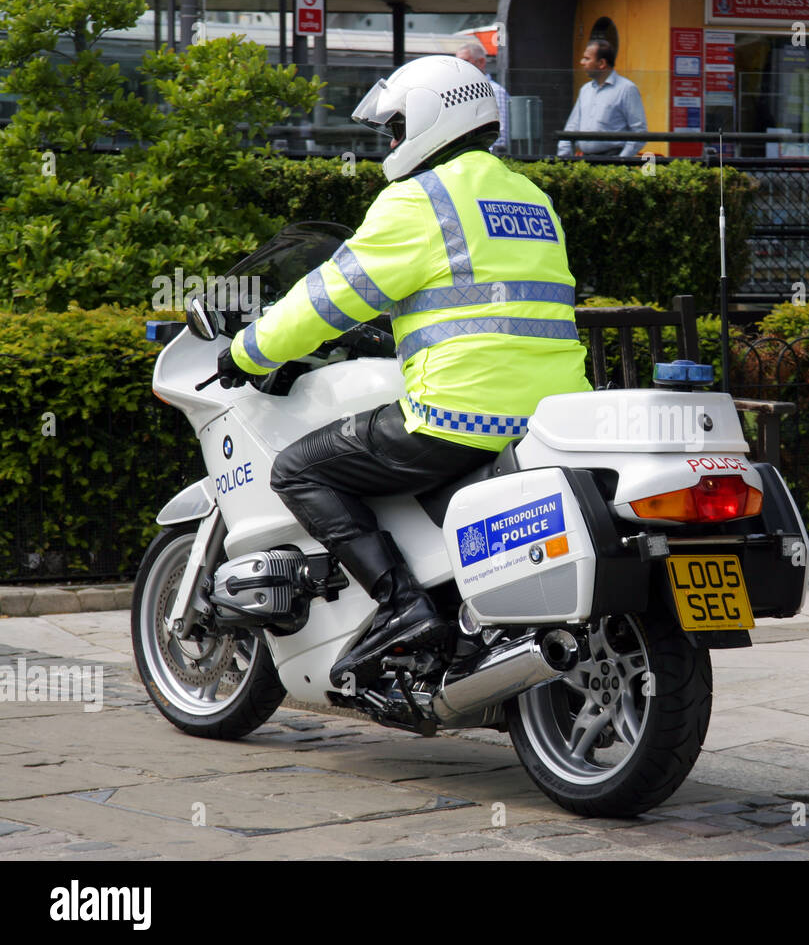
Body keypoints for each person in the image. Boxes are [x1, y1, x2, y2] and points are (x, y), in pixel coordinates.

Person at [218, 55, 591, 690]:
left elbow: (331, 295)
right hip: (552, 417)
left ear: (432, 121)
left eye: (396, 128)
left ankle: (403, 607)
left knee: (299, 468)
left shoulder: (422, 199)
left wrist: (248, 351)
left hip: (459, 417)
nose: (391, 144)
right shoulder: (530, 196)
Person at [556, 39, 646, 158]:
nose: (582, 62)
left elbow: (639, 131)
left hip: (612, 162)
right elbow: (572, 127)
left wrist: (621, 160)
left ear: (602, 63)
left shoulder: (626, 89)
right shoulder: (585, 90)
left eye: (587, 58)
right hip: (585, 161)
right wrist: (563, 160)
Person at [455, 39, 510, 156]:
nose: (460, 66)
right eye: (457, 63)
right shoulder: (461, 92)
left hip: (486, 157)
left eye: (464, 61)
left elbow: (502, 134)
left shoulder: (496, 91)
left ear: (481, 62)